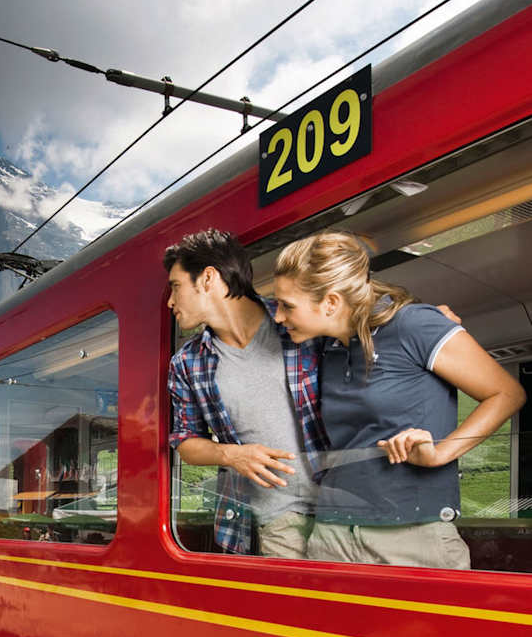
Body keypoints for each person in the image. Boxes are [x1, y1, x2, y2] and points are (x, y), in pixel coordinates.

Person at [272, 231, 526, 568]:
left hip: (411, 534)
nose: (278, 316)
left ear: (331, 303)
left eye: (287, 306)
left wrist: (441, 453)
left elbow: (507, 393)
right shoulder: (329, 346)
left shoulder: (415, 325)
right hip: (331, 533)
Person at [165, 229, 327, 558]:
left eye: (176, 286)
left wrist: (426, 323)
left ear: (208, 278)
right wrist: (231, 456)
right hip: (276, 522)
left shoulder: (297, 321)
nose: (170, 301)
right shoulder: (187, 362)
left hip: (342, 512)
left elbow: (363, 315)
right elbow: (185, 441)